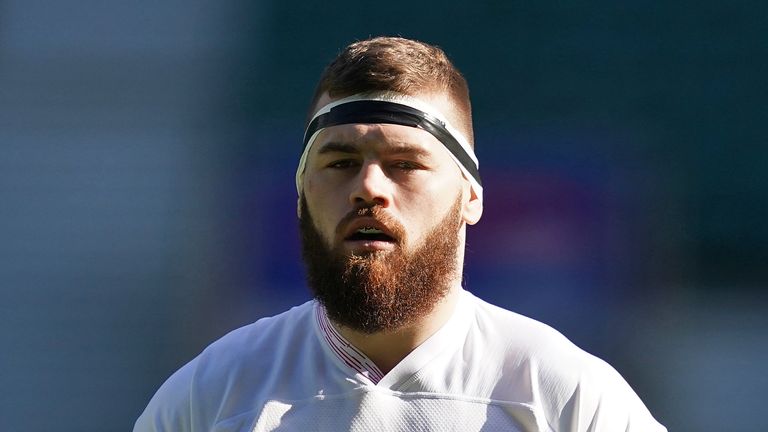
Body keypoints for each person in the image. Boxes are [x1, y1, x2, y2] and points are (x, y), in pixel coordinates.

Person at [134, 36, 666, 431]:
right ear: (300, 194)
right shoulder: (211, 397)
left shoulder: (561, 395)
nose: (369, 187)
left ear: (471, 195)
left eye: (404, 164)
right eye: (340, 163)